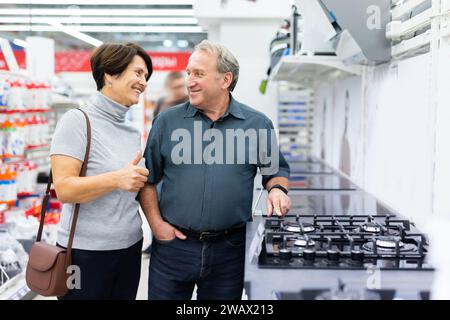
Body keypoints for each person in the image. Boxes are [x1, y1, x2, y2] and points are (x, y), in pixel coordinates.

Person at [139, 40, 291, 300]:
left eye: (198, 73)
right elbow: (147, 179)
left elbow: (275, 172)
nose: (189, 81)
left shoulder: (257, 125)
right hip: (174, 247)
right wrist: (157, 225)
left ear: (225, 79)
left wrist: (277, 189)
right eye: (188, 73)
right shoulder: (167, 122)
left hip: (229, 251)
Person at [50, 43, 152, 300]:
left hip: (129, 249)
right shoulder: (77, 121)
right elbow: (64, 189)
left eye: (146, 77)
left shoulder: (130, 132)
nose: (144, 82)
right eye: (138, 73)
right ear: (110, 74)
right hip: (85, 254)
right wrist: (117, 179)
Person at [142, 71, 188, 255]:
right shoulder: (161, 103)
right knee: (155, 203)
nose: (179, 90)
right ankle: (156, 239)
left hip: (179, 163)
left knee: (172, 203)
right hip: (159, 160)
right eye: (175, 87)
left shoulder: (189, 103)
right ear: (168, 88)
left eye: (181, 86)